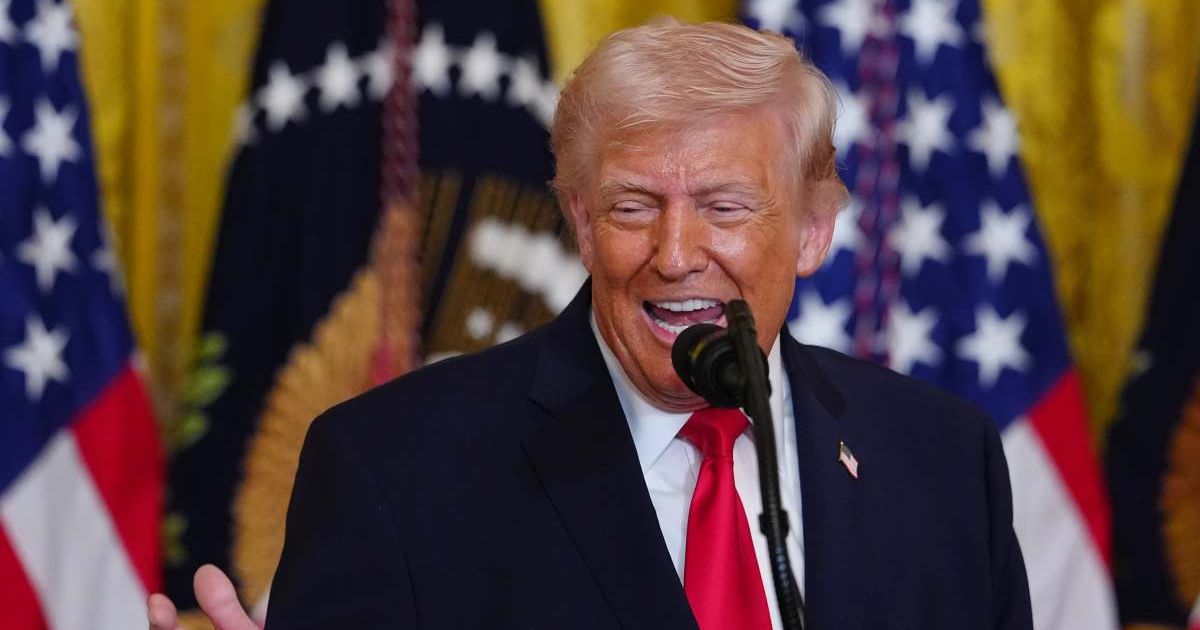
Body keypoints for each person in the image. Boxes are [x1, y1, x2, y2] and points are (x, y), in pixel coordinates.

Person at [149, 21, 1033, 630]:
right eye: (632, 205)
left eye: (723, 206)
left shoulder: (944, 461)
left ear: (812, 231)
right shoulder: (394, 470)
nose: (676, 253)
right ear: (577, 223)